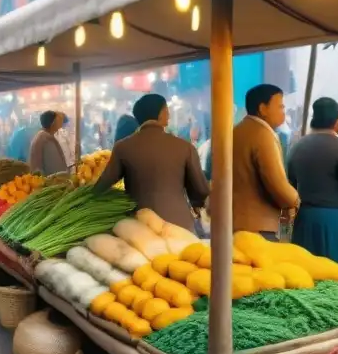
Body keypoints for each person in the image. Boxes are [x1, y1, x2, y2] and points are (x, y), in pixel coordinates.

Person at [95, 94, 209, 231]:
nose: (170, 115)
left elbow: (101, 187)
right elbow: (201, 190)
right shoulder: (185, 147)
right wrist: (196, 202)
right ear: (161, 114)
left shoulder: (123, 147)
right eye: (167, 110)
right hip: (179, 226)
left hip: (140, 227)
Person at [286, 98, 338, 278]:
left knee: (306, 280)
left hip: (305, 220)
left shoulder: (296, 147)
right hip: (335, 222)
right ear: (337, 120)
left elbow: (289, 184)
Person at [232, 84, 299, 238]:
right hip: (258, 225)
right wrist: (296, 201)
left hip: (234, 222)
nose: (284, 111)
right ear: (263, 109)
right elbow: (276, 183)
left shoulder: (237, 131)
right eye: (280, 106)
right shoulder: (262, 135)